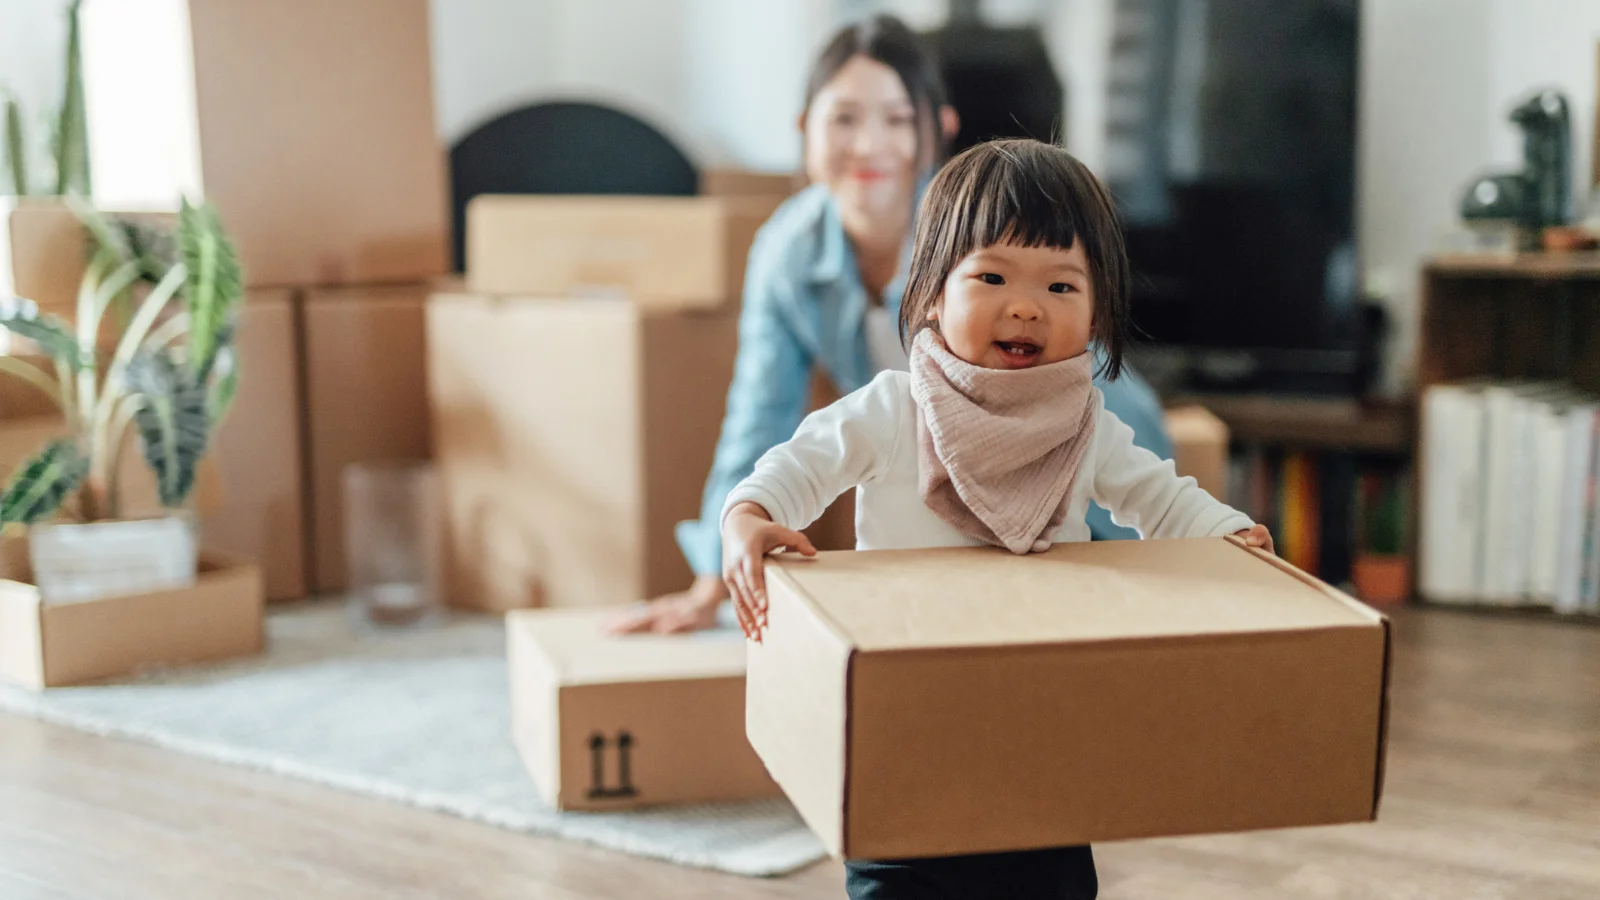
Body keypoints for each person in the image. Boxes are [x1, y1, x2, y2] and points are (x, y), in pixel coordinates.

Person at [719, 139, 1273, 899]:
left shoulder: (1085, 425)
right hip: (902, 723)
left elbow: (1162, 499)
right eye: (992, 276)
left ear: (1098, 311)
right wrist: (749, 514)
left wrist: (1227, 536)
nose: (1026, 306)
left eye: (1061, 285)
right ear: (931, 294)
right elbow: (799, 464)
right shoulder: (895, 407)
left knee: (1048, 879)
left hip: (1038, 727)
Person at [610, 16, 1173, 635]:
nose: (869, 144)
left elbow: (1084, 396)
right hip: (925, 456)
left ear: (940, 129)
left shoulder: (980, 231)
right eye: (844, 118)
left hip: (1053, 438)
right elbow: (758, 417)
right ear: (805, 130)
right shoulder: (786, 251)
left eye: (898, 120)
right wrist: (711, 583)